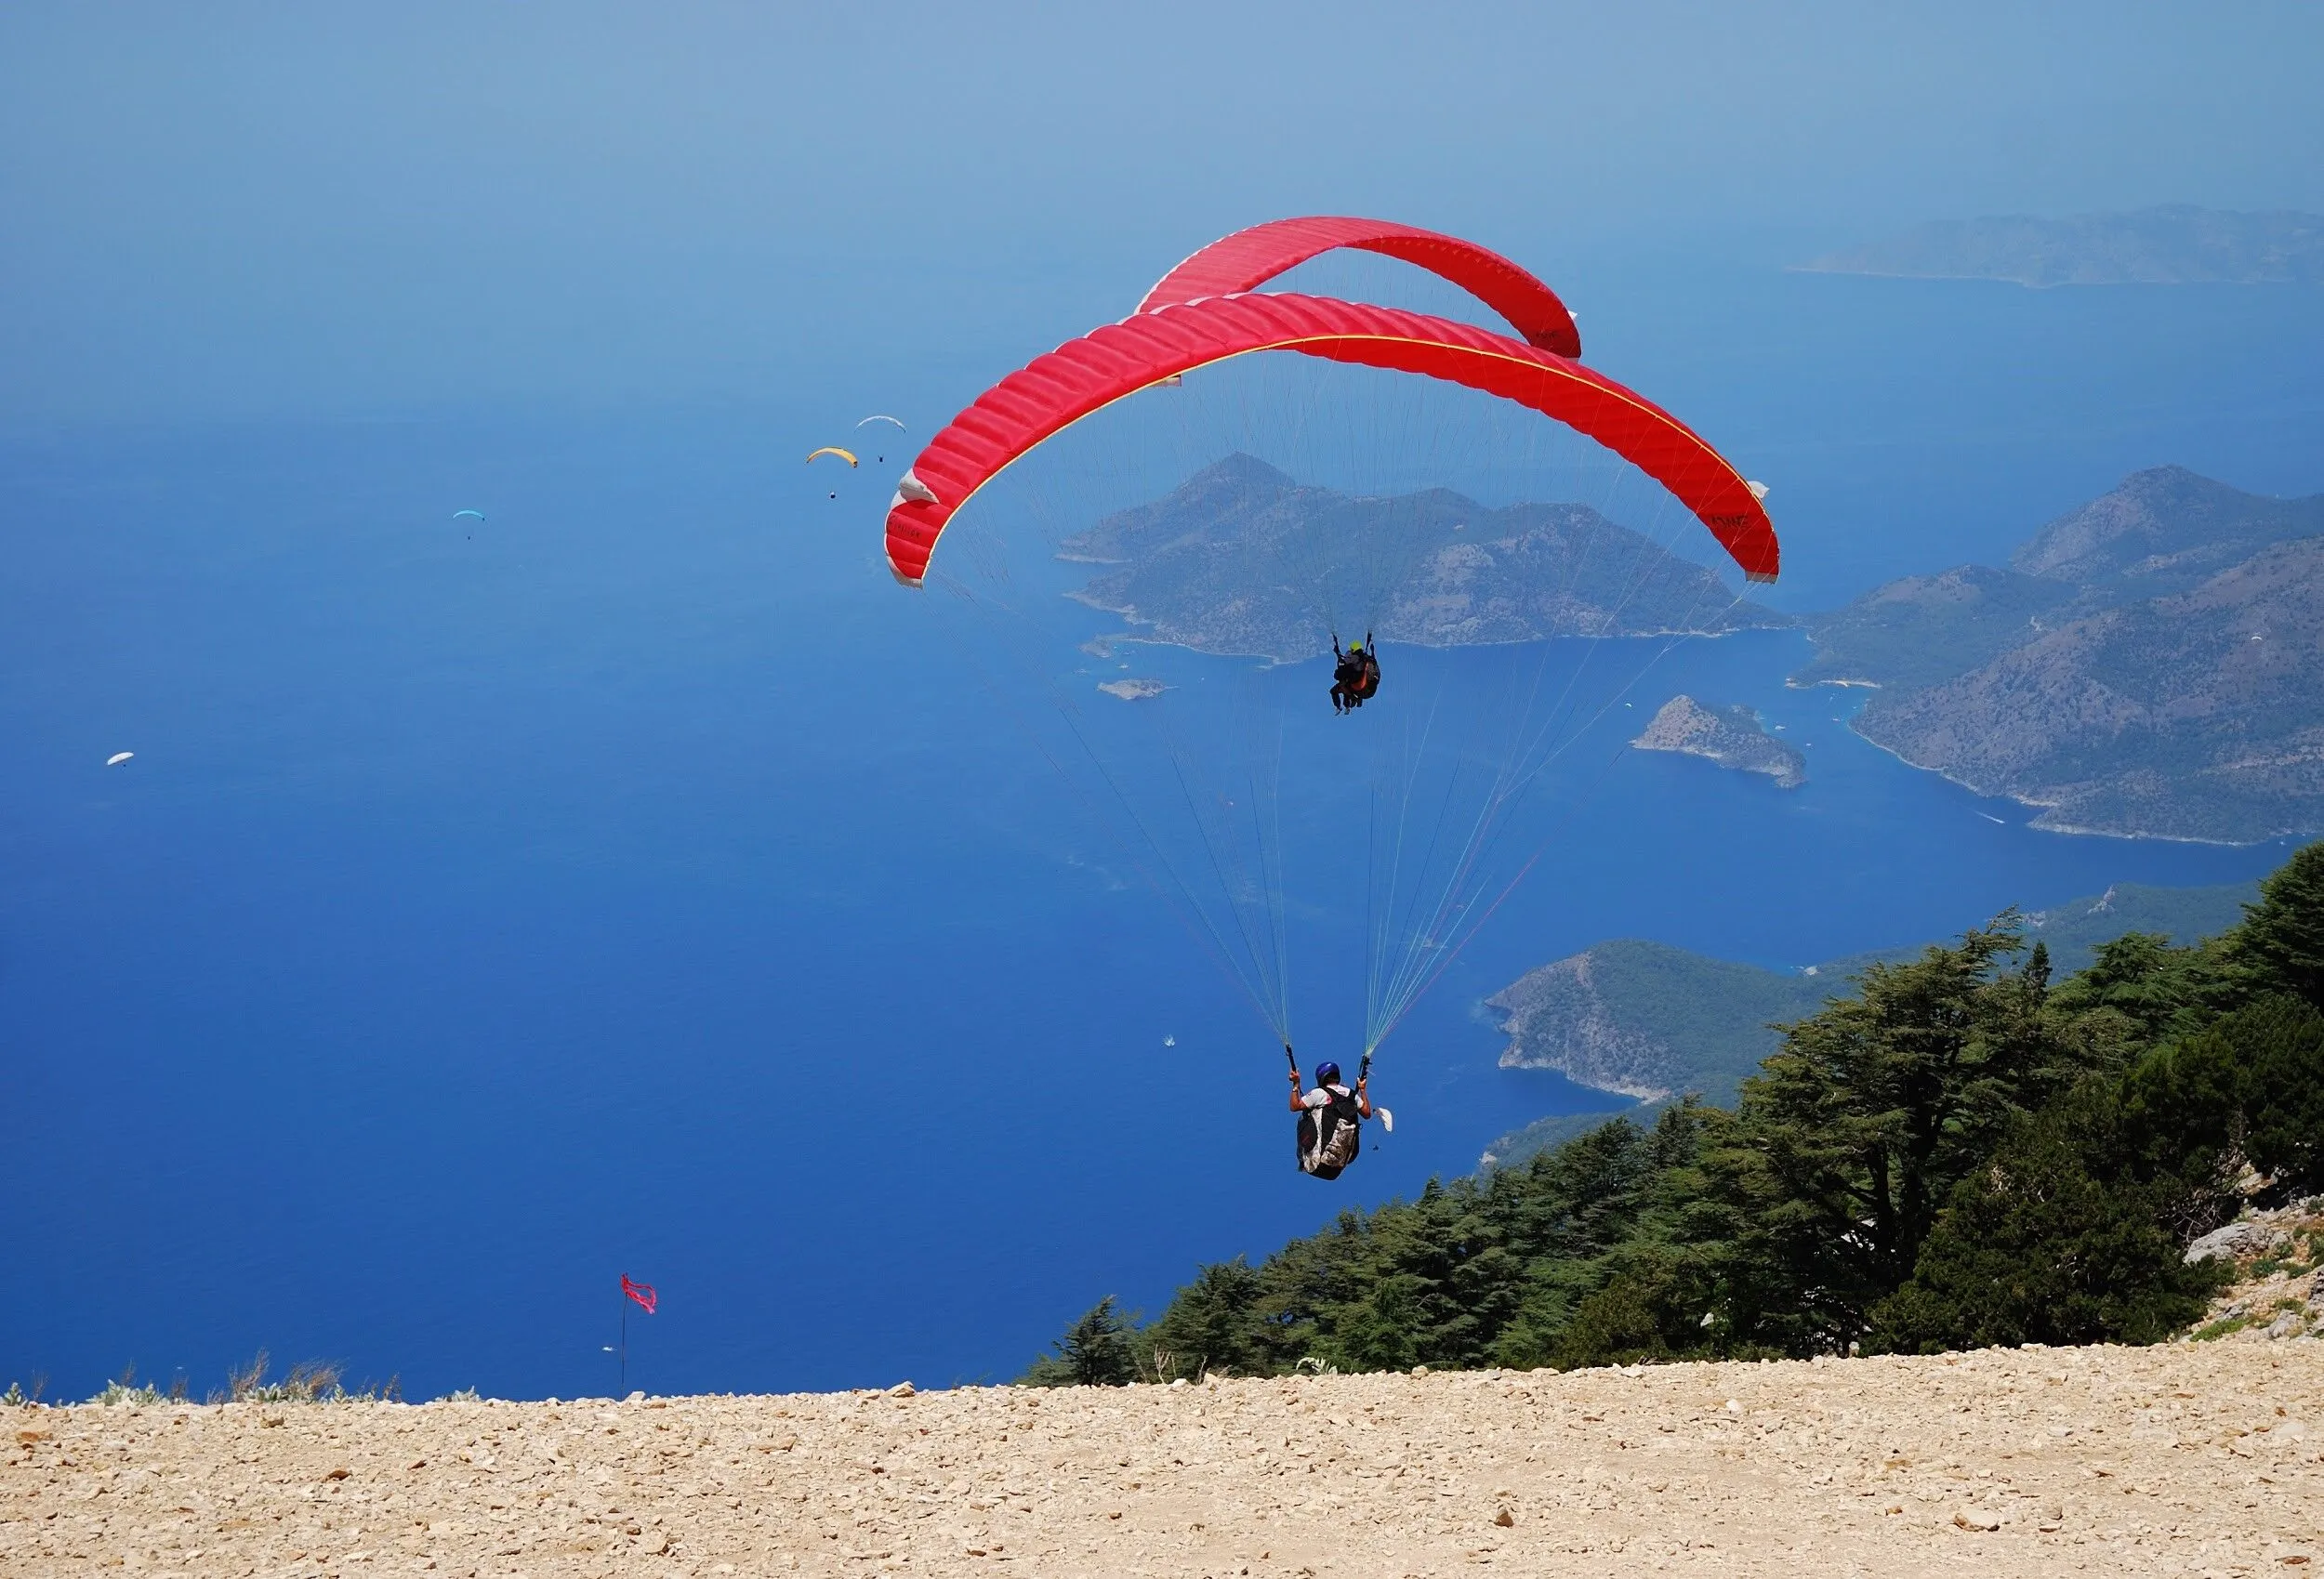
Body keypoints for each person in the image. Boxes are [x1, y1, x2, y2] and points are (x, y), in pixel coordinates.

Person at [1288, 1054, 1374, 1179]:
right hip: (1339, 1164)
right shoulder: (1351, 1095)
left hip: (1317, 1161)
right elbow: (1367, 1114)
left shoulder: (1320, 1093)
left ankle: (1303, 1158)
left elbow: (1295, 1106)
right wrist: (1362, 1090)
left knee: (1304, 1117)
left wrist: (1296, 1084)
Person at [1330, 633, 1380, 714]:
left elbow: (1338, 675)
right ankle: (1347, 706)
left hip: (1356, 686)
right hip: (1364, 688)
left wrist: (1340, 660)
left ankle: (1339, 707)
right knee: (1346, 686)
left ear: (1353, 650)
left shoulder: (1353, 659)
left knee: (1335, 690)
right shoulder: (1366, 658)